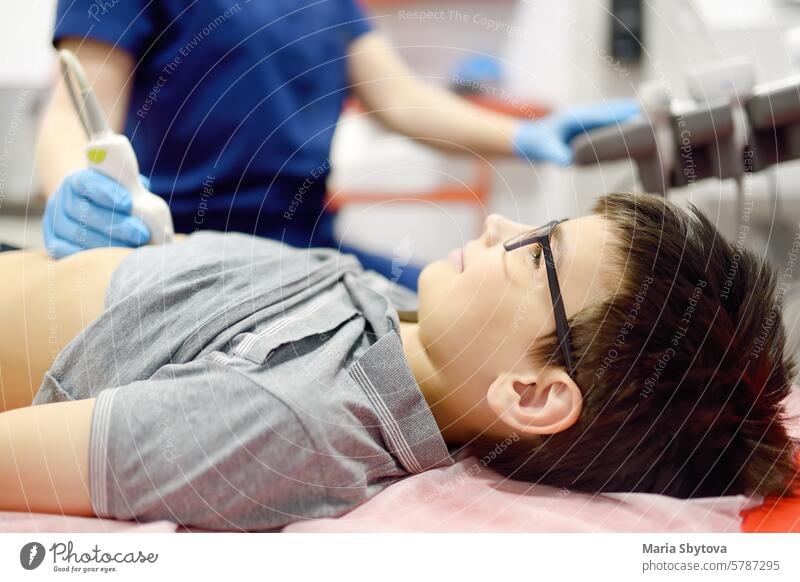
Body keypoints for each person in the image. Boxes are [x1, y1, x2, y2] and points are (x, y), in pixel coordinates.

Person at [1, 193, 796, 531]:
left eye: (534, 254)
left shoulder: (292, 421)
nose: (497, 223)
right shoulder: (403, 317)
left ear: (531, 392)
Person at [37, 1, 640, 288]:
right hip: (186, 246)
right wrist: (76, 186)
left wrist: (525, 136)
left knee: (465, 309)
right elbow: (76, 109)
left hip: (309, 246)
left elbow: (401, 99)